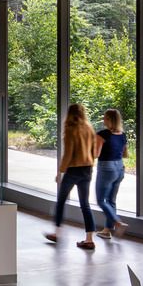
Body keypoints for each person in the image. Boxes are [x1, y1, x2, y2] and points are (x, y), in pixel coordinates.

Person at [45, 102, 98, 250]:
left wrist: (60, 172)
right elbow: (94, 151)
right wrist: (90, 163)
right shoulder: (89, 128)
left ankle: (57, 233)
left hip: (73, 169)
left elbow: (68, 153)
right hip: (87, 169)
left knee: (61, 200)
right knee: (85, 204)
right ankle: (89, 239)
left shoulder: (70, 129)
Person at [93, 108, 128, 239]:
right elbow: (125, 154)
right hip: (119, 168)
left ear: (108, 119)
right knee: (111, 201)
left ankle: (117, 222)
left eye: (105, 117)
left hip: (106, 168)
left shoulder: (102, 134)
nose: (103, 120)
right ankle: (107, 230)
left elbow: (96, 154)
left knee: (101, 200)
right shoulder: (122, 134)